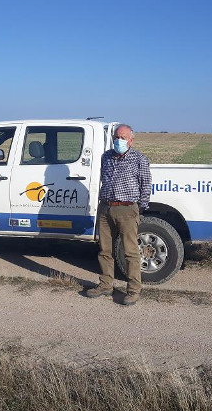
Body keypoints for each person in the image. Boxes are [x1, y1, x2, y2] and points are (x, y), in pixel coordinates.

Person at [85, 124, 151, 305]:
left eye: (123, 138)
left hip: (127, 209)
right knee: (104, 250)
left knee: (130, 252)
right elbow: (101, 180)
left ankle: (133, 290)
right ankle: (106, 284)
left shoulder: (139, 159)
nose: (119, 141)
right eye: (117, 137)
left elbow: (146, 185)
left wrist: (139, 208)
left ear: (131, 140)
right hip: (106, 208)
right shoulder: (106, 157)